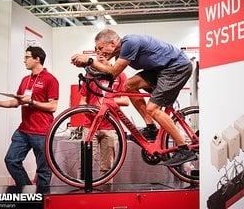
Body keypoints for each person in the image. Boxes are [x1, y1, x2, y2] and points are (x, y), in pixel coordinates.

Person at [71, 28, 196, 167]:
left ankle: (184, 149)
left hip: (176, 67)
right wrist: (87, 68)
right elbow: (110, 74)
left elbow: (113, 72)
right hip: (160, 70)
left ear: (113, 43)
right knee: (128, 86)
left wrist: (89, 61)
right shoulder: (120, 55)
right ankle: (151, 128)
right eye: (96, 49)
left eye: (100, 48)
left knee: (153, 109)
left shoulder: (130, 43)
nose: (99, 52)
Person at [0, 46, 59, 186]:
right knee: (11, 160)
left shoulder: (50, 79)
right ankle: (28, 191)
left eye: (27, 57)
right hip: (23, 130)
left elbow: (53, 106)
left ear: (37, 59)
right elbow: (15, 102)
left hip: (42, 132)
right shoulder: (25, 79)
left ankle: (41, 201)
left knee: (43, 170)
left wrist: (31, 101)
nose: (24, 60)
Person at [78, 48, 129, 179]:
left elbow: (125, 100)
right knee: (84, 165)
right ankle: (80, 192)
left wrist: (107, 102)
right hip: (90, 125)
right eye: (98, 52)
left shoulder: (120, 75)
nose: (101, 55)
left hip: (111, 127)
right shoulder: (90, 76)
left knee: (107, 167)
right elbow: (82, 101)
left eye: (104, 53)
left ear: (111, 55)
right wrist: (89, 108)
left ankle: (105, 196)